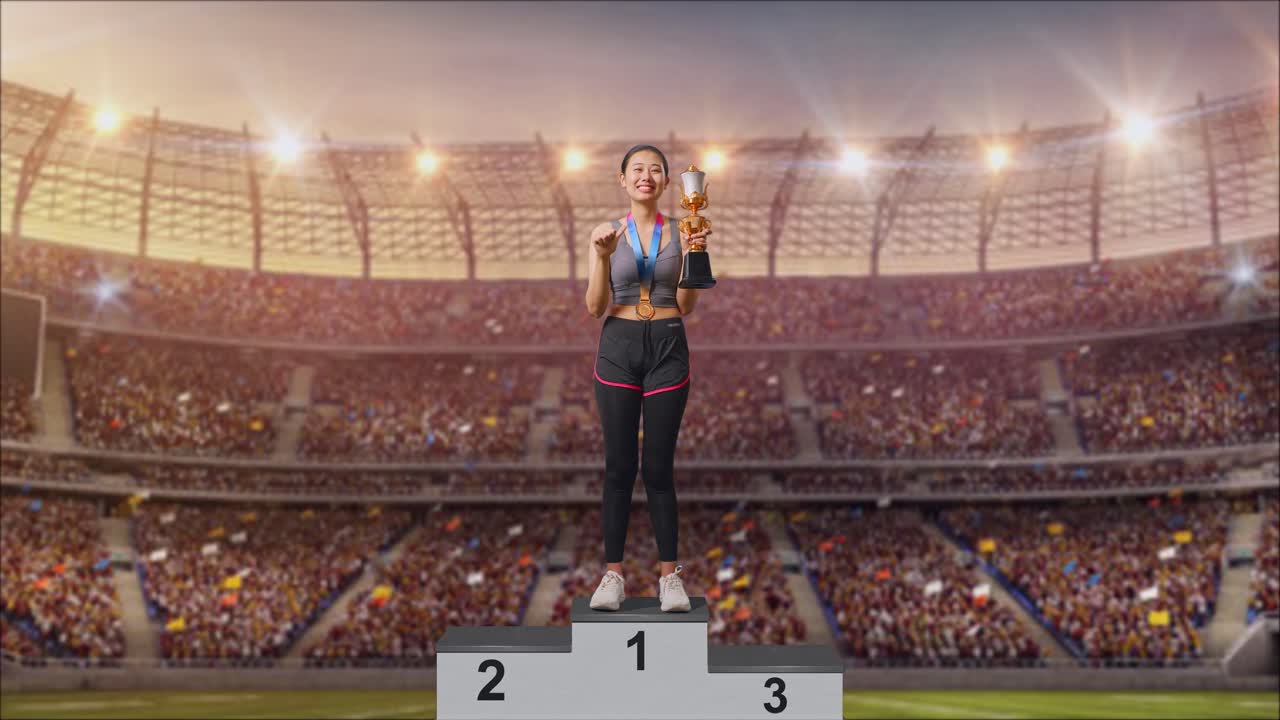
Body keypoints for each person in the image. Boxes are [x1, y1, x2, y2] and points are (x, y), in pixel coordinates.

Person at [584, 144, 710, 612]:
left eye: (655, 169)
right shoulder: (605, 232)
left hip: (668, 345)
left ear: (666, 182)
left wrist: (696, 254)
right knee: (619, 468)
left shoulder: (683, 230)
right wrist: (600, 256)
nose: (646, 175)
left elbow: (687, 305)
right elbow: (595, 308)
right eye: (637, 169)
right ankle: (613, 576)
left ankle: (668, 578)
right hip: (617, 346)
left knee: (658, 469)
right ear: (623, 180)